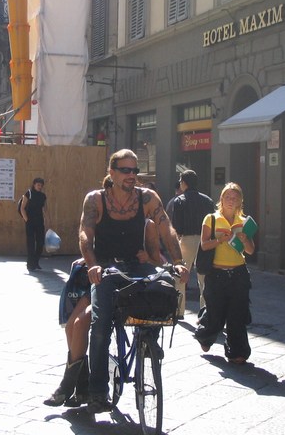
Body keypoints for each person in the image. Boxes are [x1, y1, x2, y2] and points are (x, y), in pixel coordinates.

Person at [78, 149, 189, 413]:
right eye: (125, 170)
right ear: (112, 172)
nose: (131, 175)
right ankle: (97, 392)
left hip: (137, 264)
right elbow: (85, 234)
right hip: (106, 268)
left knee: (161, 291)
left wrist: (178, 262)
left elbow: (166, 227)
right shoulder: (95, 200)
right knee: (101, 325)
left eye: (134, 170)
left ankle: (149, 341)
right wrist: (93, 265)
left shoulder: (147, 197)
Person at [43, 217, 164, 407]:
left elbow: (160, 261)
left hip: (128, 287)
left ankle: (69, 386)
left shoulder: (146, 225)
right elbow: (91, 246)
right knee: (70, 326)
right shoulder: (103, 218)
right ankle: (81, 385)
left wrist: (148, 258)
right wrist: (88, 261)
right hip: (102, 280)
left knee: (81, 323)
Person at [194, 182, 255, 365]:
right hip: (216, 274)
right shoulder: (211, 219)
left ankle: (237, 352)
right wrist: (219, 240)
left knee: (238, 314)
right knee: (216, 314)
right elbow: (204, 245)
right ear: (221, 199)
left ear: (240, 201)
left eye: (234, 198)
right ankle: (205, 336)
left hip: (239, 273)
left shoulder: (244, 221)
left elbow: (250, 250)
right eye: (227, 197)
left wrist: (245, 239)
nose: (231, 201)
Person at [171, 170, 215, 313]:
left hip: (186, 240)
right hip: (205, 240)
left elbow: (176, 226)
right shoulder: (208, 200)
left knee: (180, 275)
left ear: (184, 183)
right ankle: (205, 311)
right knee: (204, 278)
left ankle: (179, 311)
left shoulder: (179, 200)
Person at [20, 177, 47, 271]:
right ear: (34, 185)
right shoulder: (28, 193)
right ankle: (30, 264)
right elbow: (22, 208)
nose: (40, 187)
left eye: (41, 185)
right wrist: (26, 219)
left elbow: (44, 209)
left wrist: (47, 220)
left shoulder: (43, 196)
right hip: (30, 222)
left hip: (40, 221)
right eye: (38, 185)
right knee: (31, 244)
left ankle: (35, 262)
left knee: (40, 243)